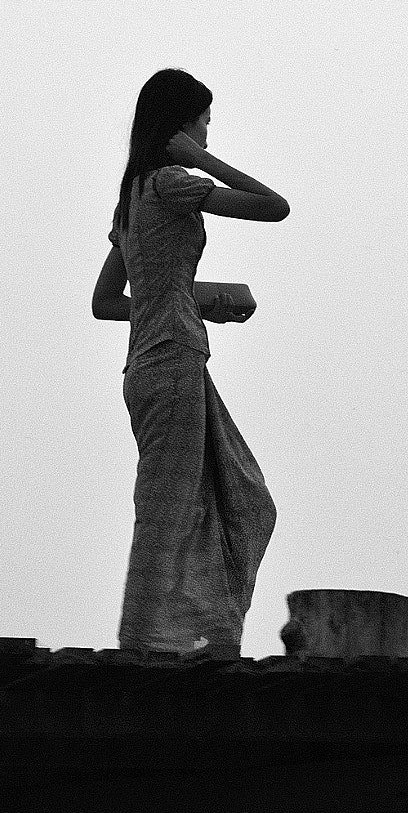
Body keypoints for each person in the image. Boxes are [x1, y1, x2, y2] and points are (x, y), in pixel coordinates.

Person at [92, 69, 288, 657]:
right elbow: (273, 207)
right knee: (170, 507)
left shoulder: (131, 201)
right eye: (203, 119)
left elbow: (109, 303)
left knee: (242, 498)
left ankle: (193, 634)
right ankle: (147, 645)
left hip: (155, 363)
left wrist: (201, 297)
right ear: (180, 124)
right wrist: (202, 161)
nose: (207, 128)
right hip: (172, 361)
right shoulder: (172, 182)